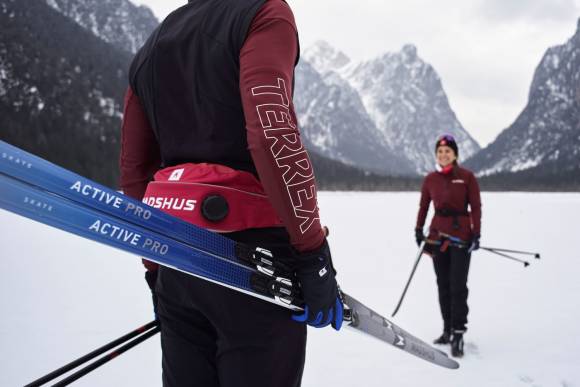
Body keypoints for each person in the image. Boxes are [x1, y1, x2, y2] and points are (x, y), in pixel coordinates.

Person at [119, 1, 343, 386]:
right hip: (254, 265)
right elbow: (272, 136)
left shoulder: (153, 44)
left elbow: (135, 170)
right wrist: (312, 254)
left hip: (176, 257)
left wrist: (156, 268)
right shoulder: (263, 13)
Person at [414, 134, 481, 358]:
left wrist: (476, 234)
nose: (443, 155)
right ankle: (447, 329)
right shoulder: (430, 179)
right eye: (440, 152)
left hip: (461, 238)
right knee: (443, 284)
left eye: (448, 152)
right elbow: (424, 206)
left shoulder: (467, 177)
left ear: (455, 155)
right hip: (436, 239)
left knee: (457, 286)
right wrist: (418, 229)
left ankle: (458, 333)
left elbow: (476, 207)